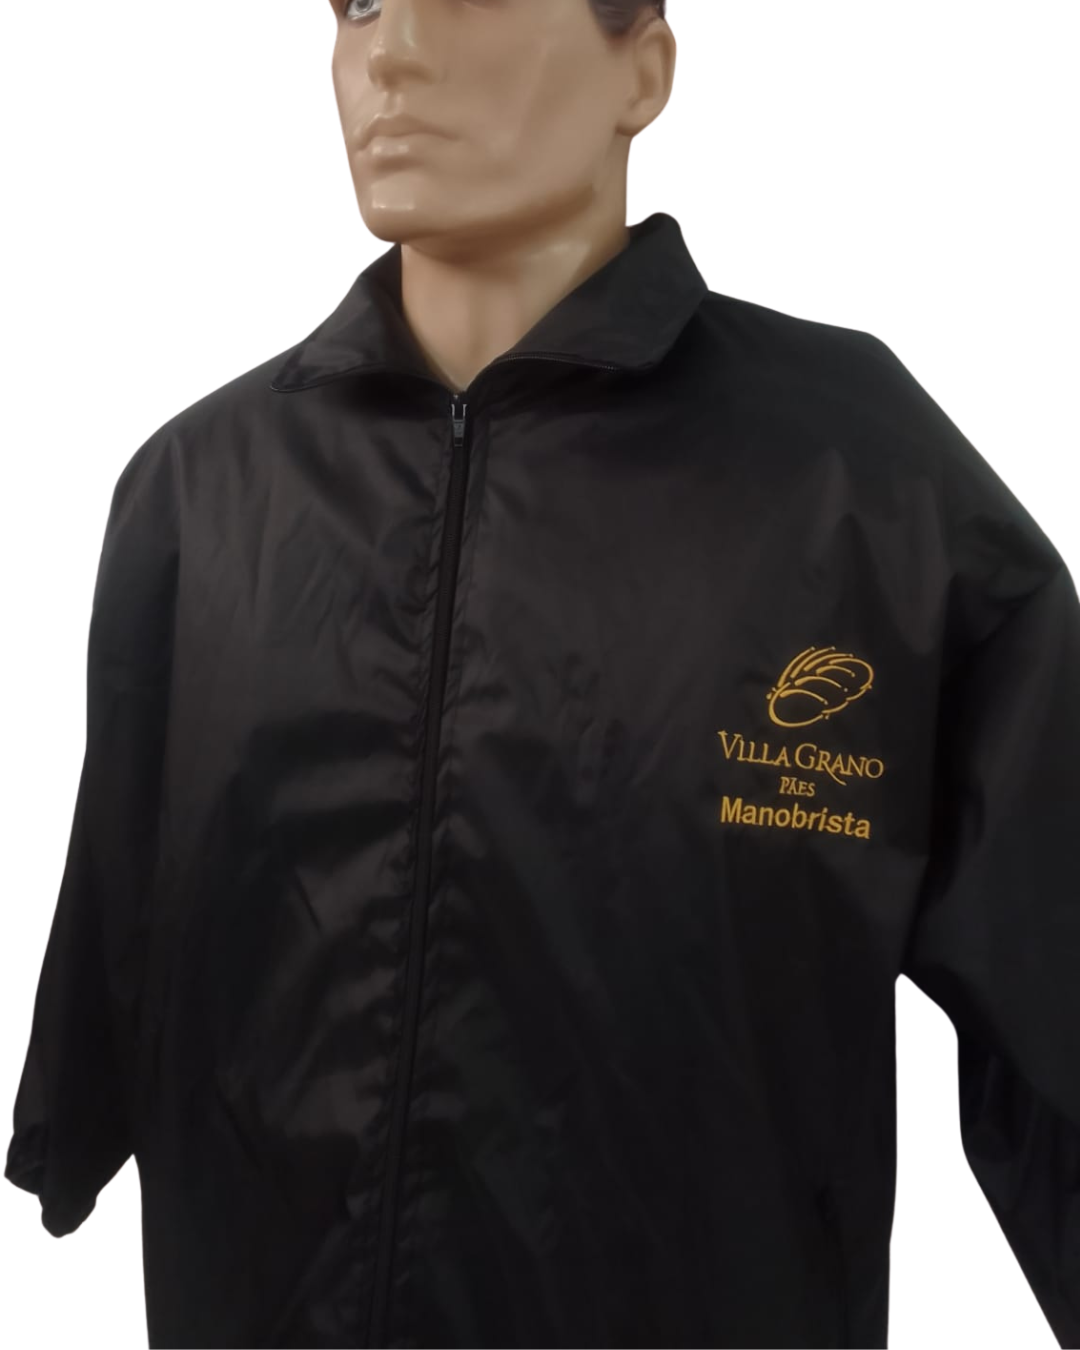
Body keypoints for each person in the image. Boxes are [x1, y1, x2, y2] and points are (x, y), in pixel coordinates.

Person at [7, 1, 1080, 1346]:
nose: (393, 49)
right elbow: (121, 925)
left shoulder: (861, 484)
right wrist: (71, 1117)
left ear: (644, 69)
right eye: (356, 3)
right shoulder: (202, 488)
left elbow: (1054, 986)